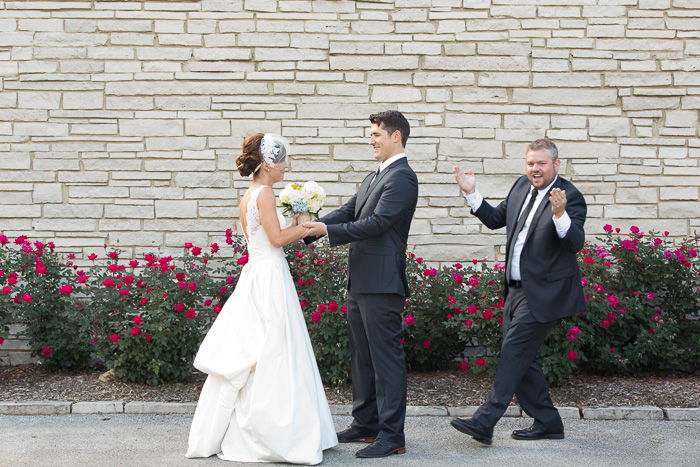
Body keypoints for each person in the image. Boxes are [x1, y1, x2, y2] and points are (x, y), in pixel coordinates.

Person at [186, 133, 337, 464]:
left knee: (268, 347)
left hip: (260, 272)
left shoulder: (252, 194)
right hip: (268, 276)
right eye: (282, 160)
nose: (286, 167)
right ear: (268, 163)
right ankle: (275, 433)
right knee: (274, 348)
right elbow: (277, 238)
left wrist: (299, 219)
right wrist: (310, 226)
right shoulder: (265, 193)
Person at [450, 138, 586, 445]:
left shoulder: (570, 196)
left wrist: (560, 214)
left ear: (556, 165)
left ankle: (485, 421)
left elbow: (574, 243)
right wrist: (471, 192)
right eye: (530, 163)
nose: (535, 169)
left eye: (541, 163)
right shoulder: (520, 187)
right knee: (522, 358)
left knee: (513, 352)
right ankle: (548, 422)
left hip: (543, 293)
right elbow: (496, 220)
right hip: (514, 290)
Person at [303, 110, 418, 459]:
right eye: (370, 134)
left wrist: (328, 231)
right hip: (361, 280)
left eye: (376, 134)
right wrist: (308, 229)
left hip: (382, 284)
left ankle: (391, 435)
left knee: (386, 361)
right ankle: (365, 422)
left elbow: (379, 223)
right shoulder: (373, 177)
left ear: (395, 136)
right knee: (362, 357)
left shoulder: (402, 178)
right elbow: (350, 211)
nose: (371, 140)